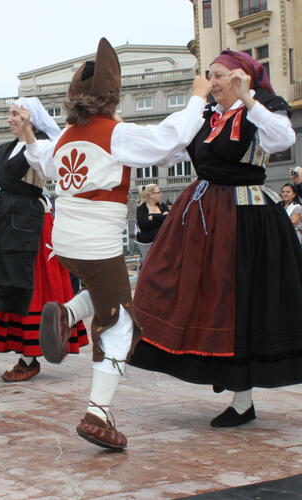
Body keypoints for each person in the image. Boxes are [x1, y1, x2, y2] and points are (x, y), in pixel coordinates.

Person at [30, 38, 212, 449]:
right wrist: (197, 98)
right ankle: (98, 413)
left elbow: (39, 157)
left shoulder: (63, 138)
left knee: (106, 292)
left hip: (67, 242)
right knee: (120, 324)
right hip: (97, 242)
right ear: (112, 100)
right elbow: (170, 138)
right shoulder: (115, 133)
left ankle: (67, 315)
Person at [129, 49, 300, 428]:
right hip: (201, 215)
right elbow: (162, 145)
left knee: (240, 302)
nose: (213, 82)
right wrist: (114, 132)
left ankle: (242, 401)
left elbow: (281, 139)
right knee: (170, 285)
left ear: (242, 77)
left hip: (246, 217)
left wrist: (247, 99)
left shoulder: (266, 105)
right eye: (211, 75)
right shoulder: (204, 113)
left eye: (220, 75)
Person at [0, 96, 89, 383]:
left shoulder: (43, 146)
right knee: (5, 280)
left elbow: (49, 168)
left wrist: (30, 134)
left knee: (31, 284)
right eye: (10, 114)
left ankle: (30, 356)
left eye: (16, 114)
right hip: (3, 220)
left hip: (30, 223)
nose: (10, 118)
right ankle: (21, 349)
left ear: (30, 118)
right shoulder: (4, 149)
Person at [135, 184, 168, 262]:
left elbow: (169, 220)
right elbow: (145, 224)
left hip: (164, 243)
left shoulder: (163, 206)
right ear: (151, 195)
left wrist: (153, 217)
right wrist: (161, 219)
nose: (161, 194)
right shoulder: (141, 209)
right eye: (158, 192)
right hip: (149, 244)